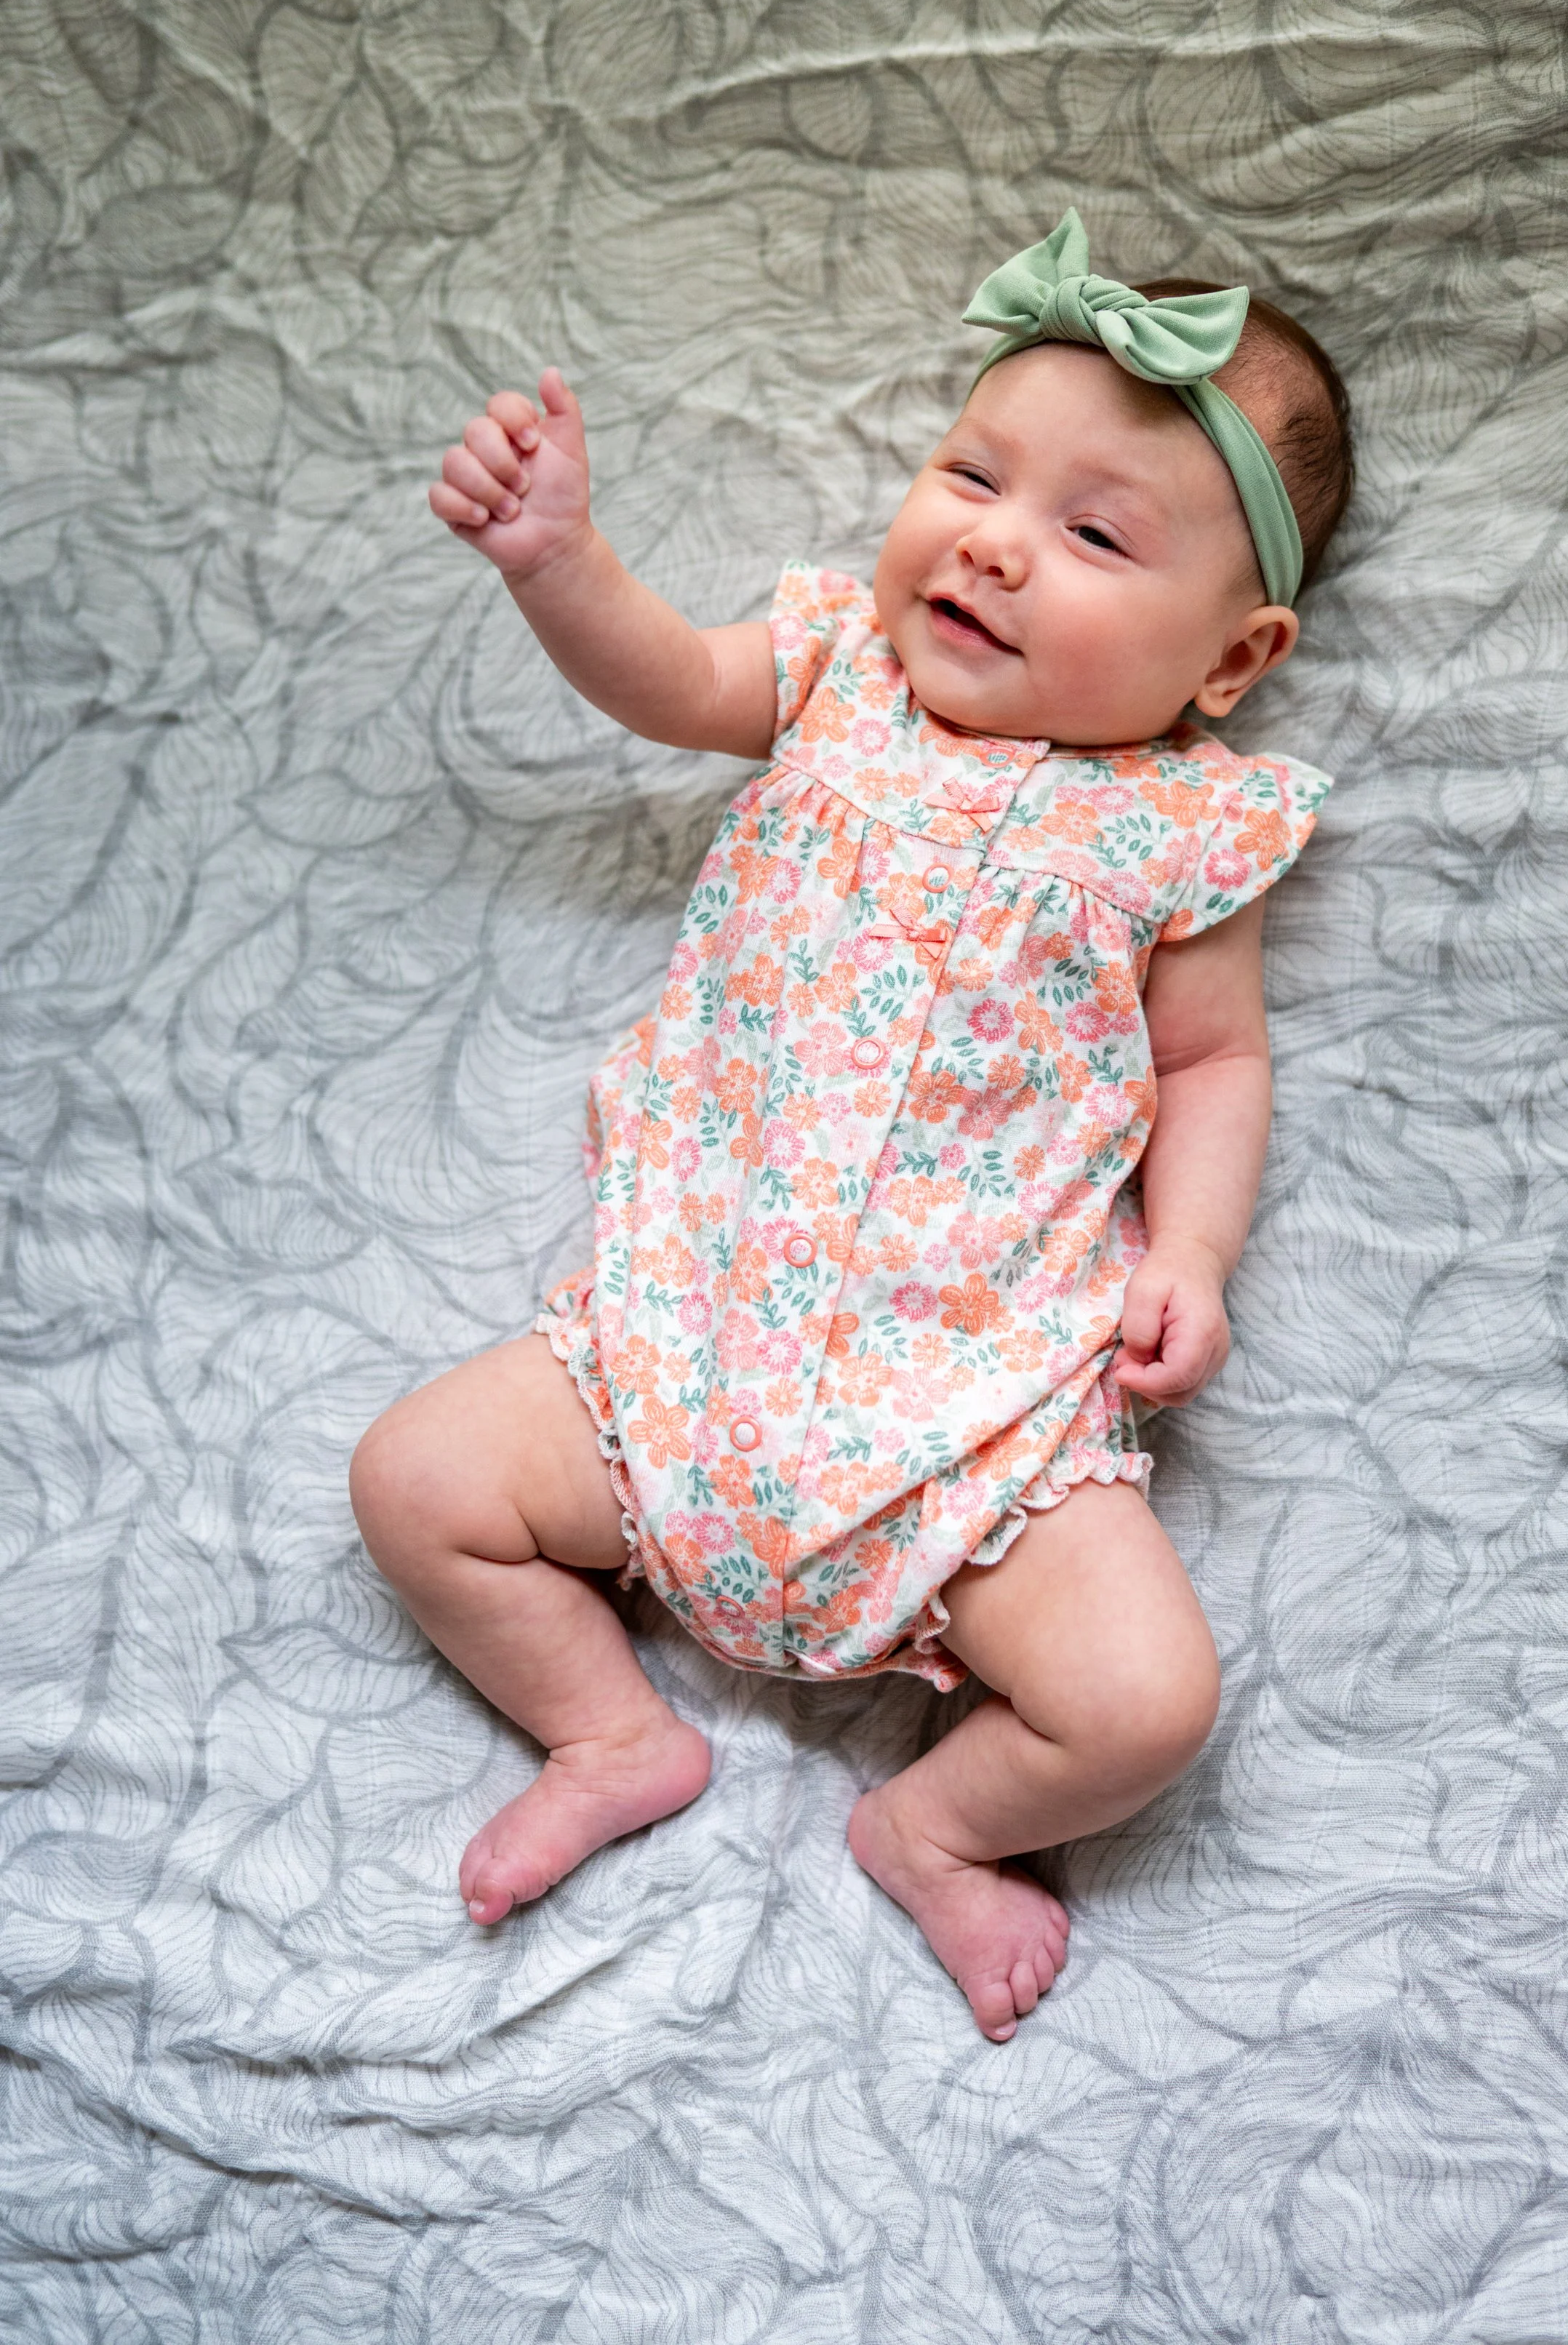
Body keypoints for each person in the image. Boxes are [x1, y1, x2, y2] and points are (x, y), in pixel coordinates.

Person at [350, 212, 1353, 2040]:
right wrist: (560, 561)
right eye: (971, 473)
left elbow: (1213, 1066)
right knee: (413, 1485)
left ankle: (935, 1829)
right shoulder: (836, 674)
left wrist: (1195, 1254)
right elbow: (671, 678)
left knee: (1142, 1704)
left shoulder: (1179, 832)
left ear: (1231, 656)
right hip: (677, 1345)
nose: (991, 540)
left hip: (969, 1415)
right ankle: (609, 1732)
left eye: (1094, 535)